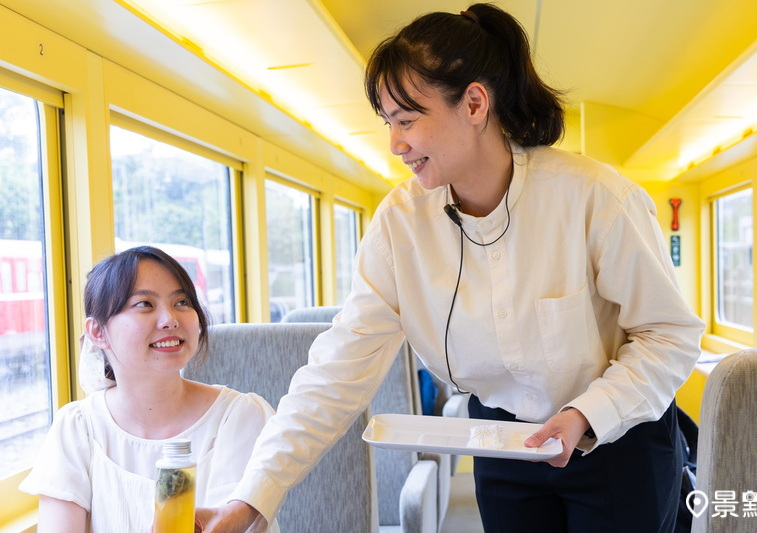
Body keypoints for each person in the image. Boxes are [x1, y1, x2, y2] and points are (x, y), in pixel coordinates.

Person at [199, 4, 705, 532]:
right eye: (388, 124)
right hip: (502, 444)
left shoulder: (595, 198)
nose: (395, 144)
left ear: (474, 103)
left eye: (407, 120)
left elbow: (669, 336)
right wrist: (251, 497)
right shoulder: (400, 226)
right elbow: (335, 372)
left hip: (617, 439)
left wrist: (588, 415)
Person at [19, 246, 277, 533]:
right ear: (97, 332)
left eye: (182, 301)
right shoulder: (78, 427)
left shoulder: (239, 418)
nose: (171, 319)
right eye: (144, 304)